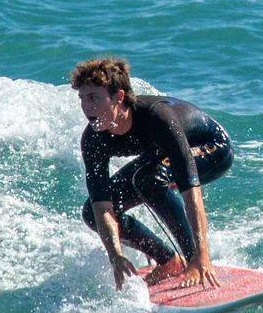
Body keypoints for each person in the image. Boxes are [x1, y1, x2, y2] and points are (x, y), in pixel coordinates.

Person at [72, 56, 233, 290]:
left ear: (118, 97)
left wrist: (202, 253)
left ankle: (195, 261)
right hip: (161, 152)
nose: (86, 107)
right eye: (82, 99)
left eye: (94, 98)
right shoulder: (93, 140)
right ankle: (168, 261)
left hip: (211, 146)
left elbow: (190, 190)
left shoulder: (156, 118)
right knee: (90, 213)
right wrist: (115, 255)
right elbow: (102, 207)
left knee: (149, 180)